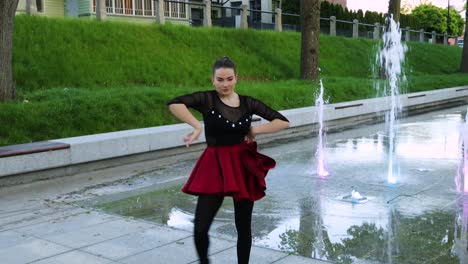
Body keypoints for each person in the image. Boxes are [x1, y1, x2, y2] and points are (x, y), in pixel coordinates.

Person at [167, 56, 289, 264]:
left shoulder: (249, 102)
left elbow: (282, 122)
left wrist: (255, 130)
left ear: (236, 79)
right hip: (214, 164)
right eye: (220, 79)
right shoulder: (207, 99)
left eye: (229, 79)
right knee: (200, 228)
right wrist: (197, 126)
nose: (225, 84)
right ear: (212, 80)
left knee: (243, 227)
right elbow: (175, 104)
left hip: (242, 165)